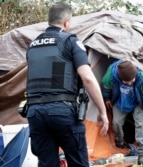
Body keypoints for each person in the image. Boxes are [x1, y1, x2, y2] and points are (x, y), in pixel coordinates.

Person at [25, 2, 109, 167]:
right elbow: (88, 78)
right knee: (78, 162)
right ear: (66, 22)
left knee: (47, 163)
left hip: (34, 113)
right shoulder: (70, 41)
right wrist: (103, 111)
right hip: (61, 111)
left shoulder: (33, 45)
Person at [101, 59, 143, 164]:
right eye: (127, 82)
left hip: (137, 101)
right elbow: (106, 87)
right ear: (120, 78)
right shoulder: (111, 75)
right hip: (120, 101)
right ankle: (120, 142)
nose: (130, 82)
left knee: (140, 122)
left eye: (132, 80)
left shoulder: (141, 76)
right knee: (116, 123)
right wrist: (107, 98)